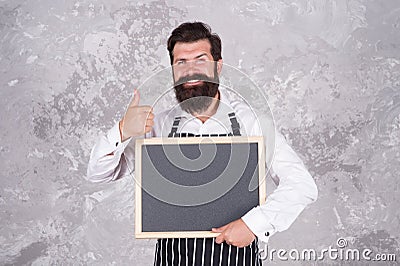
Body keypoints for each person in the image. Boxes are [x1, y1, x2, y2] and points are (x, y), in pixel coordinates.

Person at [87, 22, 318, 266]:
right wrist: (122, 130)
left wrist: (253, 225)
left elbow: (301, 185)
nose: (190, 71)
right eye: (181, 63)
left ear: (218, 65)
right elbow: (99, 174)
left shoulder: (252, 122)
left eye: (200, 59)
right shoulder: (158, 125)